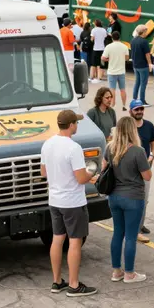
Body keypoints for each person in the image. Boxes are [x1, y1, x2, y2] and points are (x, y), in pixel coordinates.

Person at [40, 108, 98, 297]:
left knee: (57, 239)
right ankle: (74, 284)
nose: (77, 125)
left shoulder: (47, 144)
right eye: (76, 122)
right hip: (73, 201)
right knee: (75, 241)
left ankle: (57, 281)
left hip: (55, 200)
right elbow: (80, 178)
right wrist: (91, 174)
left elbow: (43, 172)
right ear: (71, 125)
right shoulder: (74, 148)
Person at [98, 115, 152, 283]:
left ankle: (116, 271)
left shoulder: (110, 148)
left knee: (117, 233)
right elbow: (147, 176)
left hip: (114, 196)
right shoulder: (138, 151)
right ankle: (129, 273)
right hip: (133, 197)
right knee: (130, 236)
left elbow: (104, 169)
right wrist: (148, 161)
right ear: (132, 131)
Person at [129, 98, 154, 239]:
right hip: (131, 170)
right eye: (137, 109)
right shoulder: (128, 127)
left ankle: (140, 225)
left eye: (141, 109)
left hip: (146, 168)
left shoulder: (149, 126)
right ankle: (133, 228)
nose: (139, 111)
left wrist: (152, 156)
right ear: (131, 111)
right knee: (134, 199)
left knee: (144, 198)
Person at [102, 30, 129, 111]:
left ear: (112, 38)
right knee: (122, 89)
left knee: (112, 89)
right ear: (119, 37)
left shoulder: (108, 47)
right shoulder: (124, 46)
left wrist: (109, 59)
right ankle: (124, 105)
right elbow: (127, 58)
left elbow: (103, 58)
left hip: (112, 71)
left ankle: (112, 105)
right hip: (121, 71)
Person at [131, 24, 153, 106]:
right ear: (143, 31)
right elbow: (147, 54)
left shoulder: (133, 40)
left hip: (135, 65)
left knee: (137, 82)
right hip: (143, 65)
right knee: (143, 84)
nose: (147, 32)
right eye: (146, 31)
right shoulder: (144, 41)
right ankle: (142, 101)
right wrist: (150, 63)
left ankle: (134, 99)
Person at [91, 18, 109, 82]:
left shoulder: (93, 30)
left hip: (95, 48)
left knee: (94, 64)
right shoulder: (104, 30)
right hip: (102, 48)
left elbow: (92, 39)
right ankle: (99, 77)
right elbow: (105, 37)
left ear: (96, 24)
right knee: (101, 63)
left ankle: (92, 77)